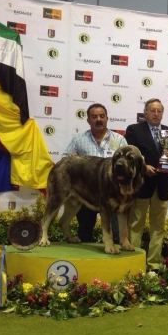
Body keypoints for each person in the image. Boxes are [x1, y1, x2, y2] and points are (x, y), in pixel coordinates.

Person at [125, 98, 168, 271]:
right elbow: (128, 154)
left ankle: (154, 265)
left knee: (158, 227)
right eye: (152, 110)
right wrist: (142, 167)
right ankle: (133, 261)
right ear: (145, 113)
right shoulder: (134, 130)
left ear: (162, 113)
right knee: (136, 225)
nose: (156, 114)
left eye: (159, 111)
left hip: (162, 186)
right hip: (141, 184)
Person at [62, 103, 127, 243]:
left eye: (102, 116)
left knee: (115, 235)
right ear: (88, 120)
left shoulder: (119, 140)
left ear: (107, 118)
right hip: (87, 193)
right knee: (85, 233)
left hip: (113, 195)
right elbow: (65, 162)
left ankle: (114, 262)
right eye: (94, 116)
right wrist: (70, 158)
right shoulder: (78, 140)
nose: (99, 119)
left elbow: (127, 165)